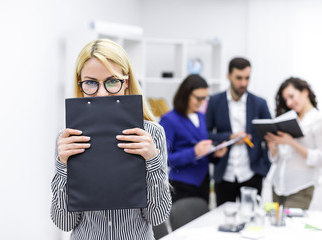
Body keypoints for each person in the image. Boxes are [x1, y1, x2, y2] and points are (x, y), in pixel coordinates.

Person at [50, 39, 171, 240]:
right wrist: (63, 165)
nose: (102, 92)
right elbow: (64, 222)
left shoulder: (151, 134)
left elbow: (157, 216)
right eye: (90, 83)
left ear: (126, 82)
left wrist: (151, 159)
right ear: (80, 85)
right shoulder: (68, 139)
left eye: (112, 81)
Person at [205, 57, 272, 206]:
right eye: (239, 78)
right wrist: (229, 137)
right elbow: (206, 133)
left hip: (252, 173)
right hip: (224, 173)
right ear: (228, 76)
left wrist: (265, 168)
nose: (243, 83)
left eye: (247, 78)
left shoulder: (260, 103)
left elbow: (270, 135)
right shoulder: (214, 102)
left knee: (252, 221)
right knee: (223, 220)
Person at [265, 77, 322, 209]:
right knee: (275, 227)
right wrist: (272, 146)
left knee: (291, 228)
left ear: (305, 92)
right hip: (278, 186)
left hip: (300, 188)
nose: (289, 102)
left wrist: (292, 143)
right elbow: (276, 159)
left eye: (291, 96)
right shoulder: (289, 118)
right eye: (286, 100)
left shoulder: (319, 120)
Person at [159, 74, 227, 204]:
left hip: (204, 182)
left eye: (205, 98)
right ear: (185, 95)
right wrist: (194, 152)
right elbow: (163, 159)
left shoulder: (201, 116)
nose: (202, 102)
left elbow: (202, 151)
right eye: (199, 98)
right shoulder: (169, 120)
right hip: (182, 185)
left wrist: (215, 155)